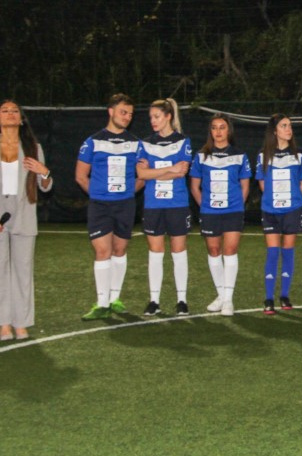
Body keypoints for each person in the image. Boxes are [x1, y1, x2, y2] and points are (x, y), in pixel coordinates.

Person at [0, 99, 53, 341]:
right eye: (5, 111)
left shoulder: (33, 147)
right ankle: (3, 324)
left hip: (24, 216)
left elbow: (46, 187)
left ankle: (21, 323)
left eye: (15, 111)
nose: (10, 114)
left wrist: (44, 172)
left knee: (22, 271)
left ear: (21, 119)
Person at [76, 94, 141, 320]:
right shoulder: (92, 142)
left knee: (119, 250)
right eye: (123, 112)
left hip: (125, 205)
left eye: (130, 114)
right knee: (103, 251)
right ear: (110, 111)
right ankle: (101, 302)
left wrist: (127, 192)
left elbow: (143, 174)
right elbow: (81, 176)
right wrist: (99, 195)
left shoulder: (135, 143)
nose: (127, 117)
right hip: (100, 205)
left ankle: (115, 299)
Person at [135, 98, 193, 317]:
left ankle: (181, 300)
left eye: (157, 116)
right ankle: (154, 300)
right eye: (151, 117)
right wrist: (169, 168)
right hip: (153, 205)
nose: (153, 121)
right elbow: (141, 174)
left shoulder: (183, 141)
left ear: (168, 116)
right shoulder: (145, 143)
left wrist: (155, 171)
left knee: (178, 252)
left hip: (177, 204)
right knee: (155, 253)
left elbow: (182, 172)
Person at [190, 114, 251, 317]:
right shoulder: (201, 156)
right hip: (209, 211)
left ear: (228, 131)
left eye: (222, 127)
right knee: (214, 250)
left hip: (233, 210)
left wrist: (236, 205)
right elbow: (195, 187)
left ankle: (228, 301)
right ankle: (221, 295)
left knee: (230, 250)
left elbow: (244, 186)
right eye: (214, 128)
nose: (218, 131)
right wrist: (206, 205)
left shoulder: (240, 155)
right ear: (210, 131)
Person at [255, 113, 302, 314]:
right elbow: (261, 183)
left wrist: (295, 201)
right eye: (284, 126)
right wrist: (273, 200)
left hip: (292, 210)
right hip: (270, 210)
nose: (288, 129)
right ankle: (268, 299)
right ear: (274, 130)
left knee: (288, 250)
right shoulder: (263, 155)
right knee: (273, 252)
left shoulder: (299, 155)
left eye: (290, 125)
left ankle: (284, 296)